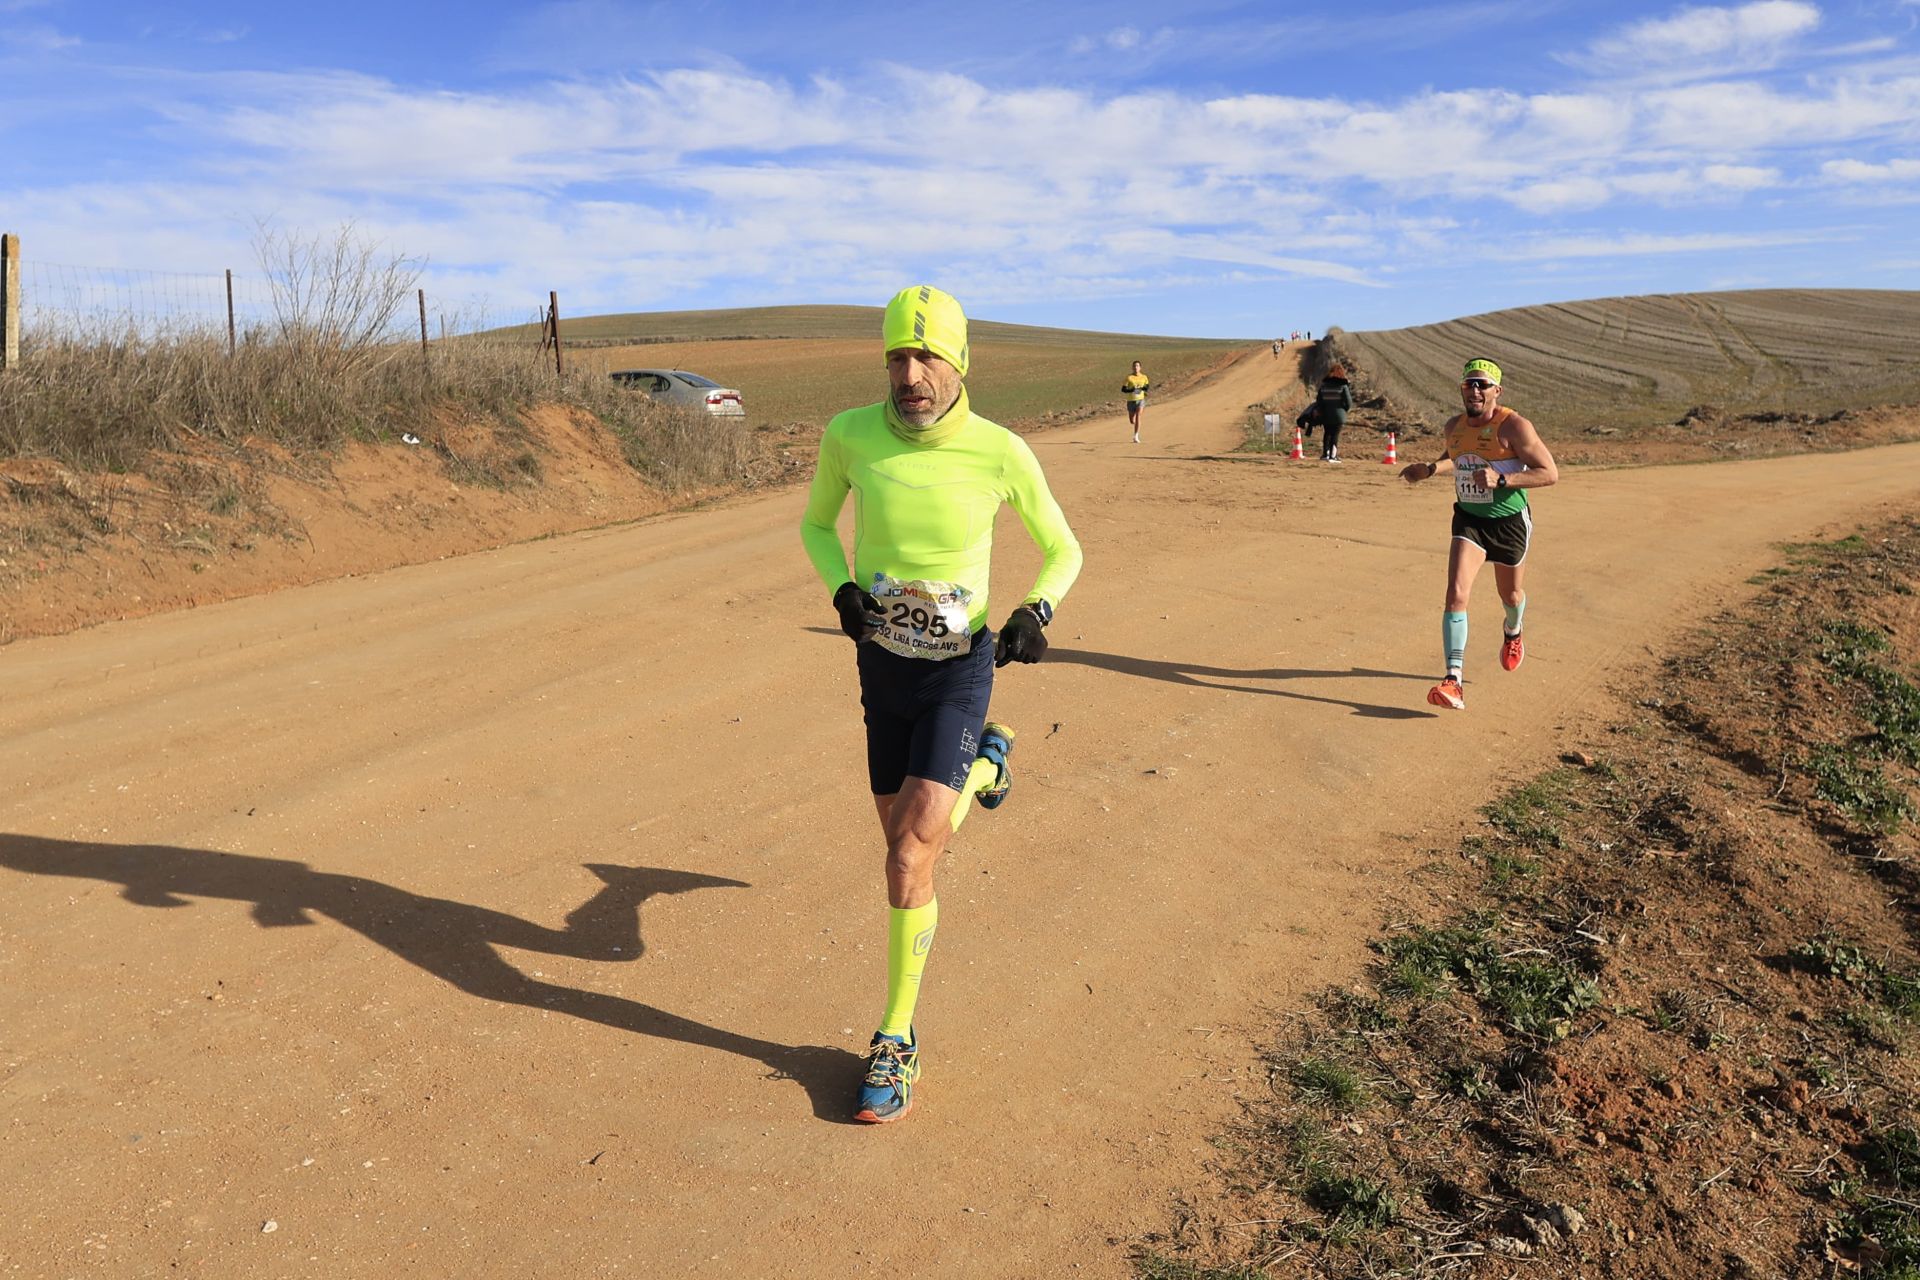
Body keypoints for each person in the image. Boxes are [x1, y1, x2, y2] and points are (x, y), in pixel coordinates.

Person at [799, 285, 1083, 1123]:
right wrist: (843, 590)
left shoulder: (1000, 451)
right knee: (904, 839)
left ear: (960, 364)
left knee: (907, 856)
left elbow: (1063, 547)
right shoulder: (850, 436)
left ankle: (895, 1037)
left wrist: (1037, 610)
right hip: (883, 669)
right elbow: (818, 526)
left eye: (928, 358)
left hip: (960, 669)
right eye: (897, 357)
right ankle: (988, 761)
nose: (910, 375)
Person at [1398, 358, 1559, 710]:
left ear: (1496, 391)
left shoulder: (1515, 427)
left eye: (1482, 384)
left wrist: (1503, 480)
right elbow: (1456, 456)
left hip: (1509, 523)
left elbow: (1549, 473)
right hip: (1469, 520)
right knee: (1456, 594)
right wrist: (1429, 469)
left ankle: (1513, 632)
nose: (1474, 390)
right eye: (1468, 383)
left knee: (1512, 596)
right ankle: (1453, 679)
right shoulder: (1453, 426)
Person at [1311, 364, 1354, 462]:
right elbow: (1349, 402)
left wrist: (1320, 410)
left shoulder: (1324, 386)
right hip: (1339, 415)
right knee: (1335, 434)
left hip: (1326, 414)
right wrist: (1343, 410)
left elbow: (1319, 401)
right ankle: (1333, 456)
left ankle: (1325, 454)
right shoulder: (1343, 386)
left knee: (1327, 433)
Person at [1122, 360, 1150, 443]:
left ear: (1140, 368)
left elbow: (1147, 387)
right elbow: (1123, 389)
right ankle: (1133, 420)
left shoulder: (1144, 377)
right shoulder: (1129, 377)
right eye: (1134, 366)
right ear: (1132, 368)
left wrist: (1143, 389)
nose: (1135, 367)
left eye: (1137, 366)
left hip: (1140, 400)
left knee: (1138, 415)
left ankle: (1136, 435)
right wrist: (1132, 390)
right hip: (1131, 400)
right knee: (1132, 420)